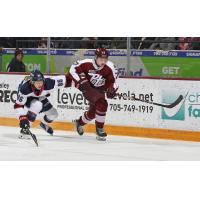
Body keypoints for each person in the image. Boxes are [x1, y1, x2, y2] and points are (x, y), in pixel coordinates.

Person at [67, 48, 118, 141]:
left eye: (105, 59)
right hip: (88, 88)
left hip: (100, 91)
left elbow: (113, 82)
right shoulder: (86, 63)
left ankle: (79, 122)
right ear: (96, 57)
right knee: (102, 104)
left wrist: (112, 90)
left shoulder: (110, 67)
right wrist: (80, 81)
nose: (103, 61)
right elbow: (72, 68)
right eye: (101, 59)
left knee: (94, 112)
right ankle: (100, 130)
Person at [14, 69, 68, 139]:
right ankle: (25, 130)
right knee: (37, 105)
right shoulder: (25, 89)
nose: (40, 84)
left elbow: (66, 79)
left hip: (40, 97)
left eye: (41, 81)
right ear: (32, 82)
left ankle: (43, 124)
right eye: (37, 82)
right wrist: (23, 118)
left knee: (53, 114)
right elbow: (18, 105)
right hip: (28, 98)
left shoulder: (49, 83)